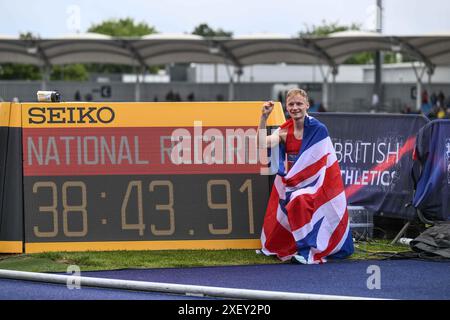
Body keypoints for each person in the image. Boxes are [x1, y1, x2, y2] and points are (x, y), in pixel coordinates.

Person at [258, 88, 354, 264]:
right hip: (293, 182)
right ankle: (284, 245)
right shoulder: (284, 130)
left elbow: (325, 164)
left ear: (307, 105)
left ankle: (306, 250)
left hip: (318, 183)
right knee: (282, 195)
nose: (295, 108)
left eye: (299, 104)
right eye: (291, 104)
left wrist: (304, 183)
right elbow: (263, 143)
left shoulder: (318, 129)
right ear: (287, 108)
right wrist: (264, 118)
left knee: (297, 199)